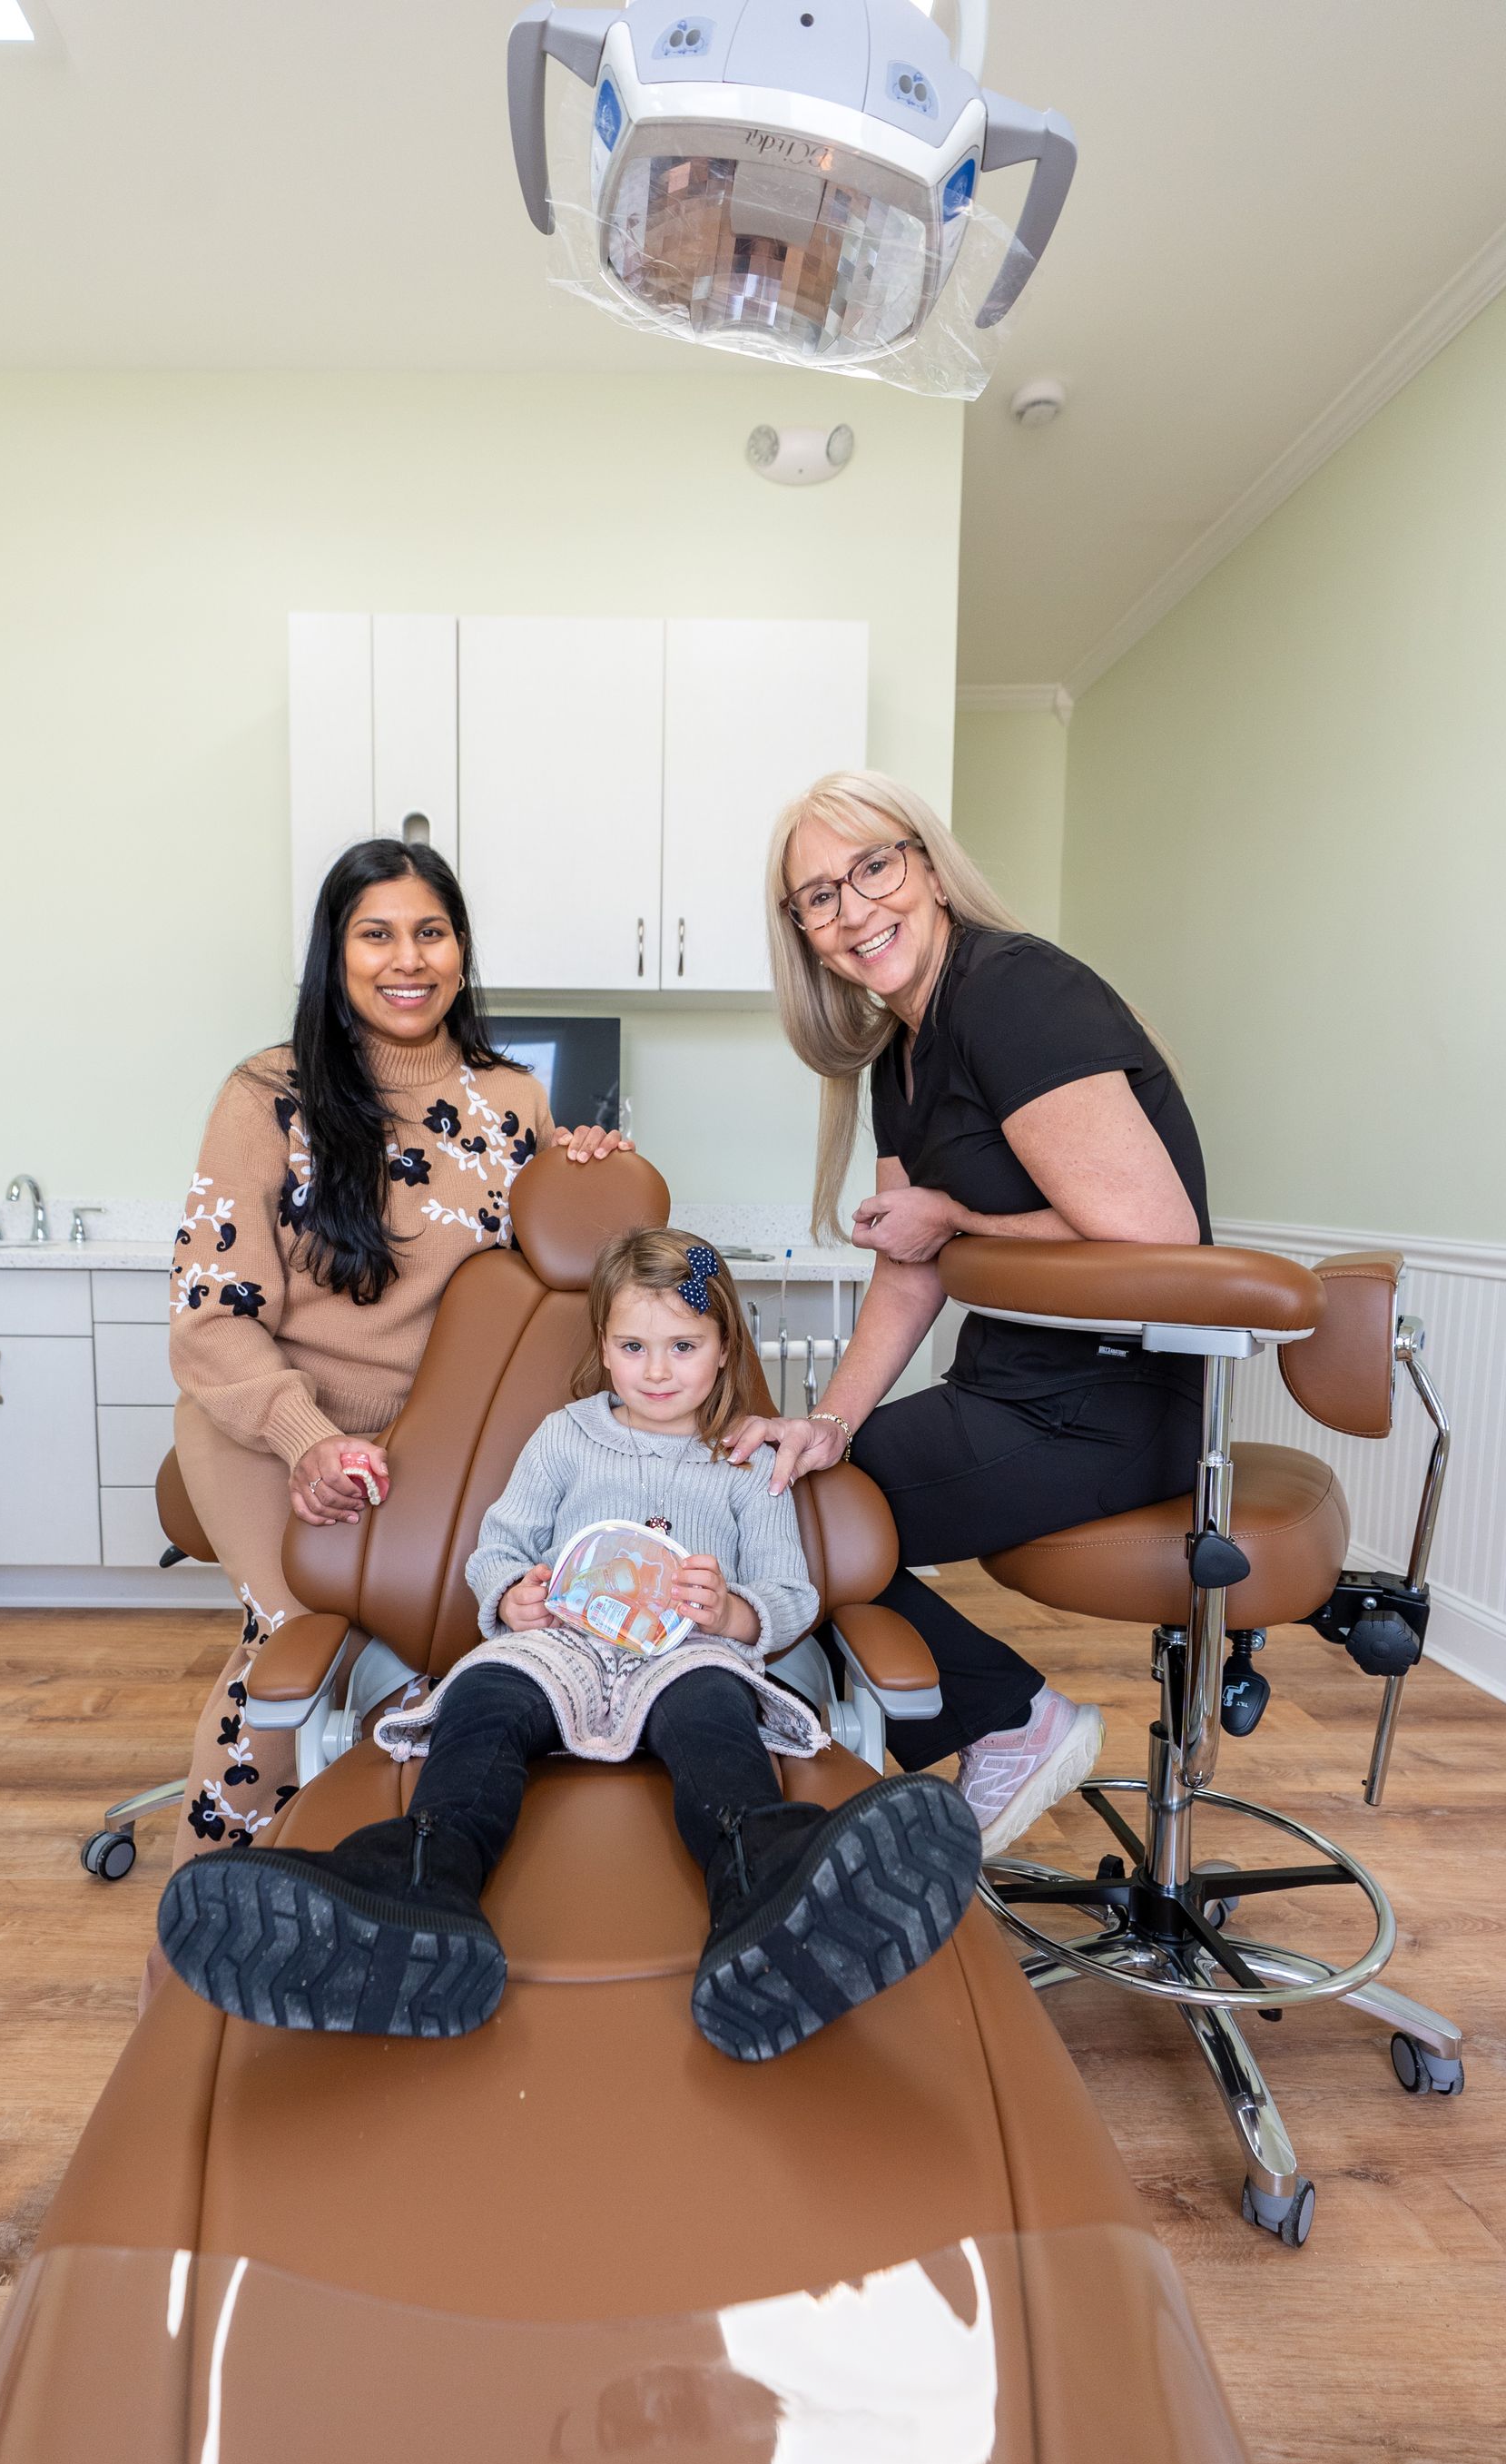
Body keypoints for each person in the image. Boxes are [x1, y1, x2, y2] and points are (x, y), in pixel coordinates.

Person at [156, 1227, 981, 2060]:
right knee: (484, 1701)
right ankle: (415, 1895)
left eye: (683, 1346)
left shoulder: (747, 1458)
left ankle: (770, 1897)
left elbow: (789, 1590)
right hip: (562, 1644)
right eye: (633, 1346)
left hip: (684, 1652)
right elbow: (498, 1547)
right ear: (604, 1347)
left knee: (711, 1717)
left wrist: (733, 1613)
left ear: (726, 1346)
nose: (657, 1371)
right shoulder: (565, 1436)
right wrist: (512, 1597)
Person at [727, 769, 1210, 1858]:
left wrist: (950, 1215)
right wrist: (829, 1425)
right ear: (803, 935)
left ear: (931, 869)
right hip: (1017, 1394)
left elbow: (1156, 1238)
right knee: (787, 1487)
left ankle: (1011, 1719)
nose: (853, 910)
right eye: (818, 897)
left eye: (873, 867)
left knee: (788, 1524)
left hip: (1110, 1405)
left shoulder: (1012, 992)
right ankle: (972, 1726)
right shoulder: (903, 1047)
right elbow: (913, 1263)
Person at [166, 835, 628, 1870]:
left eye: (431, 931)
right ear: (337, 955)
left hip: (433, 1446)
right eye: (376, 935)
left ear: (461, 950)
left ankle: (384, 1880)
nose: (407, 959)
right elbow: (208, 1313)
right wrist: (307, 1441)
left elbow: (619, 1286)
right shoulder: (266, 1095)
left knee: (456, 1659)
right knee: (300, 1653)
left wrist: (599, 1172)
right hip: (271, 1422)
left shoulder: (515, 1104)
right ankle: (209, 1902)